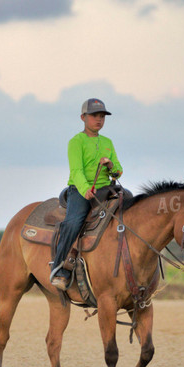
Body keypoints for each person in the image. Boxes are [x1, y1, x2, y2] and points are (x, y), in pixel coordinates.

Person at [50, 98, 123, 290]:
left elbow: (119, 171)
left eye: (102, 116)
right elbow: (76, 171)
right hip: (80, 191)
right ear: (83, 117)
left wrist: (111, 166)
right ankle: (59, 269)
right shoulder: (76, 142)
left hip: (106, 189)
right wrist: (85, 189)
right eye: (94, 116)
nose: (99, 120)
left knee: (130, 205)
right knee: (73, 223)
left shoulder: (108, 142)